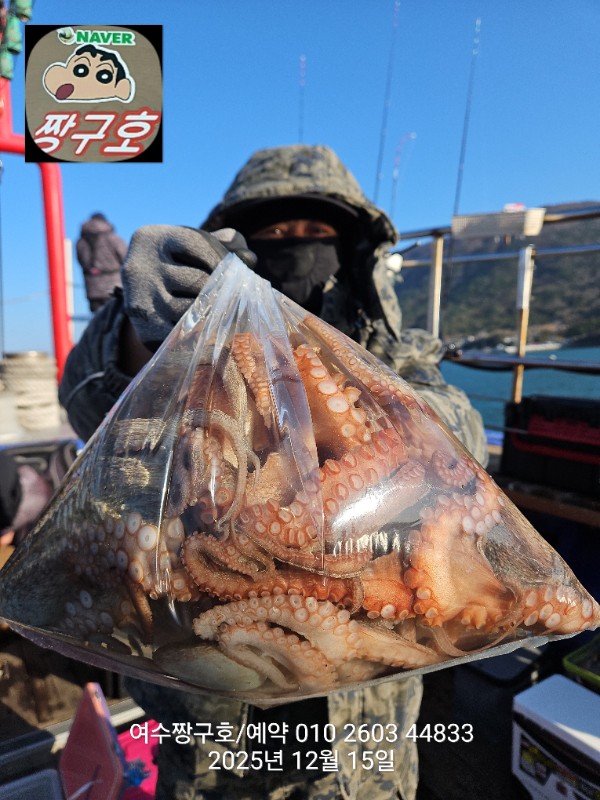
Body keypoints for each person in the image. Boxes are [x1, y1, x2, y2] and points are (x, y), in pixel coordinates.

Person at [59, 144, 487, 800]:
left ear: (354, 252)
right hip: (213, 745)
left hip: (366, 755)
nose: (298, 246)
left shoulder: (393, 356)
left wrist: (337, 386)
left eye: (317, 232)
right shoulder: (197, 359)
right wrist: (143, 336)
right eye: (276, 232)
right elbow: (88, 401)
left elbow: (465, 445)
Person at [75, 212, 128, 313]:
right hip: (114, 288)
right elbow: (126, 258)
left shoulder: (80, 242)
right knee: (116, 318)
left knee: (98, 318)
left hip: (92, 289)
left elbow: (80, 261)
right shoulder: (113, 238)